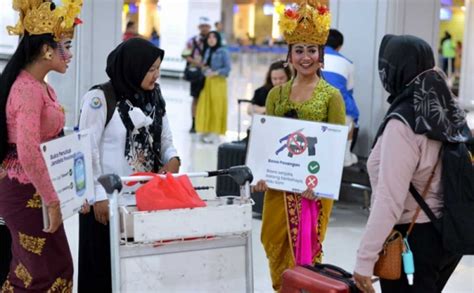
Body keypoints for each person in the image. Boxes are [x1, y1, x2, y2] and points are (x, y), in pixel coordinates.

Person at [354, 34, 464, 293]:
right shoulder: (446, 109)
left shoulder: (403, 123)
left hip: (413, 239)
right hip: (447, 236)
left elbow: (389, 199)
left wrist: (365, 258)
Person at [253, 3, 346, 290]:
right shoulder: (276, 95)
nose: (306, 57)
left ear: (321, 54)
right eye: (299, 50)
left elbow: (335, 149)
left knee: (306, 259)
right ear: (289, 54)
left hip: (311, 193)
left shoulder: (332, 97)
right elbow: (267, 143)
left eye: (312, 50)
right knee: (273, 244)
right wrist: (260, 173)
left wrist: (319, 184)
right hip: (278, 190)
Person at [77, 38, 180, 292]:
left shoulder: (154, 97)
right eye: (150, 69)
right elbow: (86, 149)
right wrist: (99, 195)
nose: (156, 75)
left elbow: (165, 139)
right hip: (105, 204)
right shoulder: (100, 98)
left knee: (137, 273)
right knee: (102, 271)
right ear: (132, 66)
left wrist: (173, 159)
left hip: (143, 203)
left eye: (158, 68)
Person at [0, 0, 82, 291]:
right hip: (25, 190)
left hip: (38, 186)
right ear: (47, 49)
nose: (70, 54)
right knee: (41, 274)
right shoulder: (26, 90)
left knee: (51, 269)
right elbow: (28, 151)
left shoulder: (42, 86)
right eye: (66, 45)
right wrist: (52, 200)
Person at [323, 28, 359, 166]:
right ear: (340, 46)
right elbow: (349, 91)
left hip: (309, 107)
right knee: (351, 114)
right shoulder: (347, 63)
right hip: (338, 109)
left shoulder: (311, 57)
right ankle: (345, 157)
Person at [195, 31, 231, 143]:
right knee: (206, 106)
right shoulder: (208, 50)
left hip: (219, 83)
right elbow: (205, 66)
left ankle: (215, 132)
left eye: (214, 37)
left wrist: (215, 73)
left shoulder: (223, 51)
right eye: (209, 37)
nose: (211, 39)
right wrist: (204, 68)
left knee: (217, 106)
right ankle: (206, 129)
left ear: (218, 39)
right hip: (207, 82)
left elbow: (227, 69)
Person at [182, 16, 211, 133]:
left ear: (209, 27)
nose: (204, 28)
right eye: (202, 26)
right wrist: (197, 63)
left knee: (209, 99)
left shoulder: (213, 40)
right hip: (197, 75)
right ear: (199, 27)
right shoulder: (192, 41)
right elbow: (184, 55)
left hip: (210, 75)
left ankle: (206, 123)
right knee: (196, 98)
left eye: (206, 26)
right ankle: (194, 124)